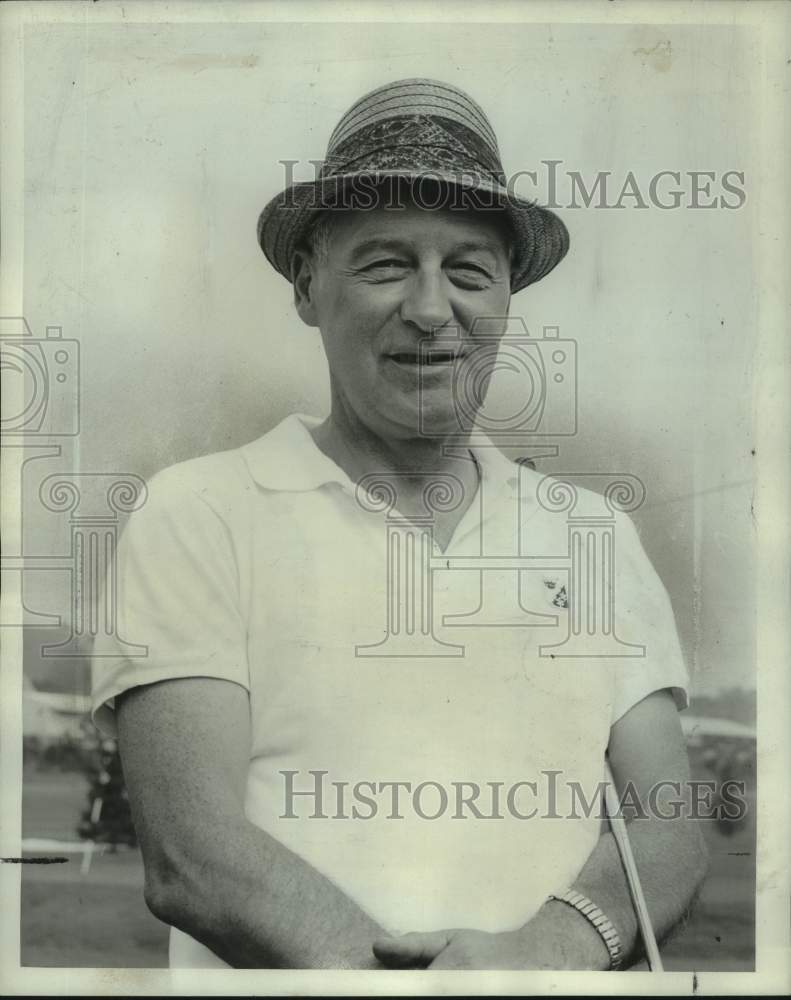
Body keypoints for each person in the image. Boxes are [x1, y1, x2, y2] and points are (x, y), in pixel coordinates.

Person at [91, 79, 707, 970]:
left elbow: (671, 830)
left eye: (467, 271)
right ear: (307, 286)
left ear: (506, 299)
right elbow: (193, 856)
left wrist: (550, 949)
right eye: (384, 265)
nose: (429, 309)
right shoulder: (197, 510)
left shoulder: (592, 532)